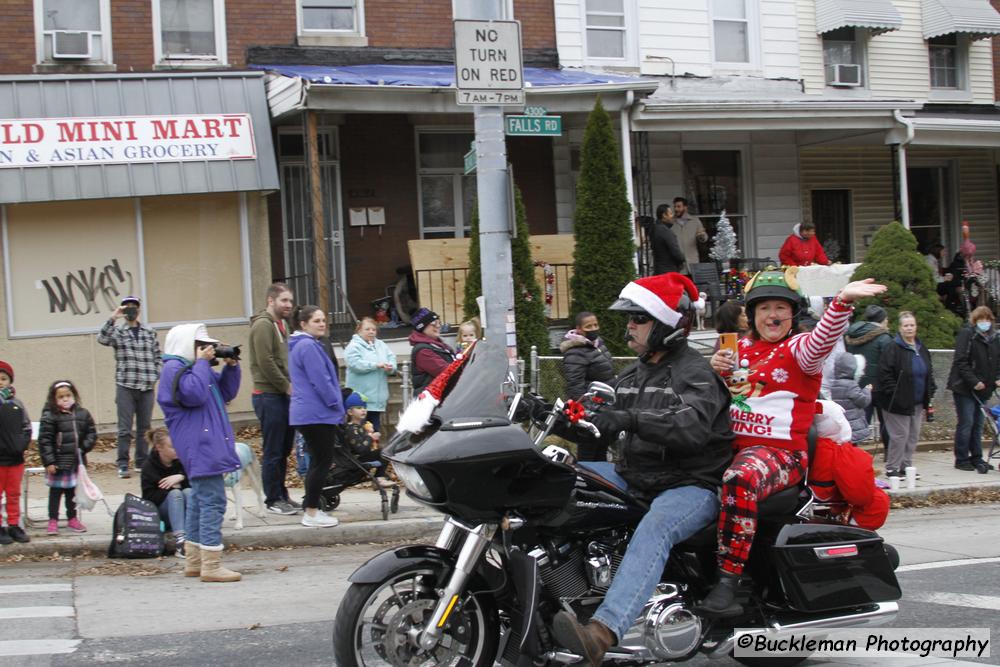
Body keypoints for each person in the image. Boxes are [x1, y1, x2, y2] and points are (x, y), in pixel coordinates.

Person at [551, 273, 733, 666]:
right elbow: (598, 414)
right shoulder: (635, 373)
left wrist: (630, 420)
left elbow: (692, 427)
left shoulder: (696, 373)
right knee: (559, 476)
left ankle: (602, 632)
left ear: (667, 325)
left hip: (690, 484)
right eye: (629, 318)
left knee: (658, 525)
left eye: (639, 318)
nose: (629, 325)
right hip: (637, 477)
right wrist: (562, 416)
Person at [698, 269, 885, 617]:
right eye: (764, 308)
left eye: (781, 308)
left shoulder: (798, 349)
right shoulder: (738, 348)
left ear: (792, 314)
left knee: (739, 479)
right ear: (752, 315)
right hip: (730, 449)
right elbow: (716, 399)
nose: (772, 315)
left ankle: (728, 581)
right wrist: (713, 369)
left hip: (780, 454)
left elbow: (821, 341)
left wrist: (841, 302)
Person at [158, 323, 242, 582]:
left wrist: (231, 366)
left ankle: (195, 562)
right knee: (213, 501)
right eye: (201, 346)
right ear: (185, 345)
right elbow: (194, 394)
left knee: (197, 500)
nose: (207, 351)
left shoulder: (193, 369)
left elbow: (226, 392)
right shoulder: (174, 368)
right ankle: (211, 565)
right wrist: (203, 363)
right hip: (200, 445)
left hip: (204, 443)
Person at [288, 305, 343, 528]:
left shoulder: (302, 345)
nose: (322, 324)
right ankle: (311, 512)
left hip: (310, 412)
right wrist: (335, 403)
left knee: (318, 462)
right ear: (303, 324)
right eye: (316, 321)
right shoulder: (308, 346)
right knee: (321, 463)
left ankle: (312, 509)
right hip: (316, 412)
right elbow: (321, 380)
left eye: (323, 319)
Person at [248, 283, 299, 516]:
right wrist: (285, 385)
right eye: (284, 301)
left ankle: (282, 493)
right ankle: (272, 499)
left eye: (290, 301)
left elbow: (284, 359)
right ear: (271, 301)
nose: (288, 305)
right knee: (273, 450)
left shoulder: (282, 324)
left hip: (283, 394)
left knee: (284, 448)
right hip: (268, 395)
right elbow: (265, 361)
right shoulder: (263, 325)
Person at [97, 295, 162, 479]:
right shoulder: (118, 332)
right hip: (125, 385)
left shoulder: (149, 332)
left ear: (139, 309)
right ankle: (123, 464)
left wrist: (156, 373)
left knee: (144, 427)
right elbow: (101, 339)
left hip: (146, 386)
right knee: (124, 428)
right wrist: (113, 317)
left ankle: (141, 462)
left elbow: (158, 356)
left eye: (134, 306)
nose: (131, 309)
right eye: (127, 307)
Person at [808, 401, 889, 530]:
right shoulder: (840, 451)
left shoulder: (804, 442)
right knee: (878, 500)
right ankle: (854, 528)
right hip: (824, 492)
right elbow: (860, 495)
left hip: (808, 489)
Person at [876, 311, 935, 480]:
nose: (909, 328)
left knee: (913, 434)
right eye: (906, 325)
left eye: (912, 325)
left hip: (917, 401)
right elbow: (884, 373)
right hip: (896, 401)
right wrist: (895, 392)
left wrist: (930, 390)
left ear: (916, 327)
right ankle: (893, 467)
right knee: (899, 435)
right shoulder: (892, 348)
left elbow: (928, 371)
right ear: (900, 328)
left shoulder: (921, 348)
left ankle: (906, 466)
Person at [38, 380, 97, 536]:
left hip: (76, 461)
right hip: (58, 462)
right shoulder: (50, 416)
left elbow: (92, 433)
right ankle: (53, 520)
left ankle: (72, 518)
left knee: (72, 492)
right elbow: (45, 440)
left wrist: (83, 448)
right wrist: (49, 461)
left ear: (74, 396)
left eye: (68, 395)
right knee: (55, 492)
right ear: (54, 399)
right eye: (61, 396)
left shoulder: (82, 414)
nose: (65, 399)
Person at [948, 306, 1000, 473]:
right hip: (965, 387)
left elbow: (996, 361)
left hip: (984, 388)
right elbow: (961, 361)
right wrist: (974, 381)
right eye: (981, 320)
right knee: (966, 422)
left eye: (987, 320)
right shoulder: (967, 335)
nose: (984, 323)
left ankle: (976, 457)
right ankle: (961, 458)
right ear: (975, 321)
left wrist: (996, 378)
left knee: (978, 423)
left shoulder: (994, 337)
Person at [561, 311, 615, 461]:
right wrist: (586, 413)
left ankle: (601, 483)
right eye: (588, 326)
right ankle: (585, 481)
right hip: (590, 411)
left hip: (604, 407)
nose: (593, 328)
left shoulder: (597, 345)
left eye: (595, 324)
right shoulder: (575, 352)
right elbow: (575, 385)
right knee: (588, 452)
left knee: (601, 450)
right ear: (578, 329)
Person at [141, 427, 192, 556]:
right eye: (172, 447)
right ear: (159, 447)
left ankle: (194, 533)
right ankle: (180, 540)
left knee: (188, 492)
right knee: (175, 494)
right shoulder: (149, 466)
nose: (177, 449)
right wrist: (171, 490)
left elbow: (193, 482)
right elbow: (149, 497)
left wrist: (182, 476)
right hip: (162, 513)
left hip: (182, 508)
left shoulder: (181, 461)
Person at [345, 317, 397, 433]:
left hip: (377, 399)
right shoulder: (353, 346)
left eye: (374, 329)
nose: (371, 332)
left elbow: (391, 358)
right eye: (367, 329)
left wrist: (391, 367)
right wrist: (375, 365)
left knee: (374, 431)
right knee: (359, 433)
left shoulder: (381, 345)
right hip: (359, 401)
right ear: (359, 331)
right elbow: (355, 364)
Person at [0, 361, 31, 544]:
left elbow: (26, 427)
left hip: (15, 458)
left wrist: (22, 444)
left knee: (13, 494)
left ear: (10, 381)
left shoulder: (17, 404)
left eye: (4, 379)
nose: (0, 382)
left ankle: (14, 525)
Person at [342, 392, 391, 485]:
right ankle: (379, 478)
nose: (363, 410)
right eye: (359, 408)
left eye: (364, 408)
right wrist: (370, 437)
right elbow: (360, 449)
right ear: (350, 412)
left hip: (361, 457)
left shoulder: (361, 426)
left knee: (385, 451)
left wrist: (369, 435)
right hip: (355, 460)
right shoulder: (351, 428)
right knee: (384, 451)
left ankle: (380, 476)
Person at [408, 308, 456, 395]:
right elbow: (447, 372)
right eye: (433, 323)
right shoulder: (423, 351)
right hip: (431, 401)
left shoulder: (439, 345)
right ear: (422, 327)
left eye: (439, 322)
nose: (438, 326)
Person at [829, 352, 872, 444]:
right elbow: (863, 401)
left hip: (842, 424)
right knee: (852, 448)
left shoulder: (834, 384)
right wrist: (867, 390)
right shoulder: (851, 385)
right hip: (852, 425)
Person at [672, 197, 708, 272]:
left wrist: (701, 236)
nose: (676, 209)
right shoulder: (671, 222)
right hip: (677, 264)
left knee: (691, 283)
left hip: (692, 261)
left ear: (685, 207)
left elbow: (704, 238)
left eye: (679, 206)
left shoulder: (694, 221)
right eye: (675, 206)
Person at [650, 203, 685, 275]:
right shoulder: (665, 231)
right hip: (669, 271)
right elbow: (676, 252)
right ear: (664, 215)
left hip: (659, 269)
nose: (673, 216)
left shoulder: (655, 229)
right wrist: (682, 259)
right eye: (671, 213)